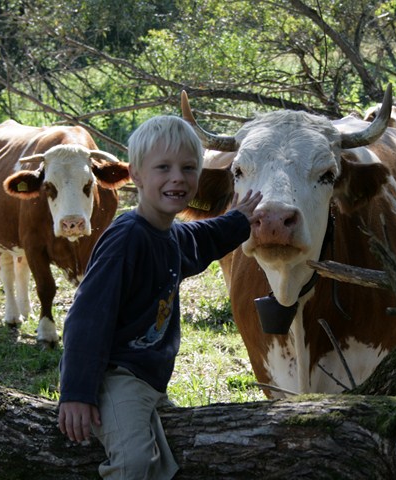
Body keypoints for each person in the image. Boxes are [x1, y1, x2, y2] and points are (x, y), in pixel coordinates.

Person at [57, 114, 262, 479]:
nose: (177, 178)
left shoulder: (168, 234)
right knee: (134, 463)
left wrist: (240, 219)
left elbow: (203, 239)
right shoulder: (128, 238)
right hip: (115, 377)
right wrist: (76, 392)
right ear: (135, 174)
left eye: (188, 167)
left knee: (165, 463)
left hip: (147, 378)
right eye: (163, 167)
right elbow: (87, 317)